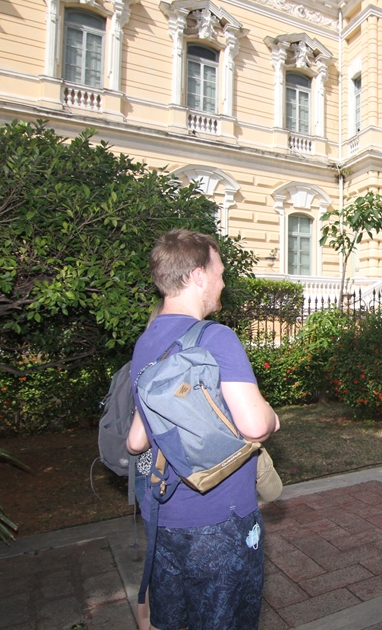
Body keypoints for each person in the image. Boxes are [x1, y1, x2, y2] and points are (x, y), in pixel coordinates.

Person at [127, 229, 280, 630]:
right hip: (221, 518)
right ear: (198, 276)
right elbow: (255, 426)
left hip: (163, 517)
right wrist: (273, 416)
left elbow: (136, 438)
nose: (223, 282)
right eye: (220, 272)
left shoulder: (146, 341)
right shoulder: (217, 337)